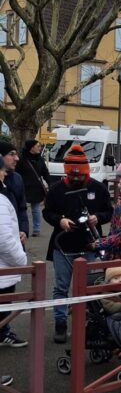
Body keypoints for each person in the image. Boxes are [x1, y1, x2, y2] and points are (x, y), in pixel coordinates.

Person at [43, 143, 114, 343]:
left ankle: (91, 323)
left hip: (90, 246)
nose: (76, 178)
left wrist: (97, 218)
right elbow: (47, 212)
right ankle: (60, 323)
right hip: (62, 246)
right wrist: (60, 221)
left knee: (91, 286)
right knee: (61, 287)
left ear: (86, 172)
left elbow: (109, 211)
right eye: (72, 176)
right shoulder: (56, 189)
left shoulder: (98, 188)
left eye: (79, 176)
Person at [0, 154, 29, 353]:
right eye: (2, 171)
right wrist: (21, 259)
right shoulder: (0, 201)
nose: (4, 175)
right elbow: (3, 240)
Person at [17, 139, 50, 237]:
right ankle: (21, 229)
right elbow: (17, 173)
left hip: (36, 187)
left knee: (36, 208)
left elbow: (45, 172)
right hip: (23, 187)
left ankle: (36, 229)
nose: (40, 148)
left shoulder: (40, 159)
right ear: (32, 148)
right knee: (21, 208)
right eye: (38, 146)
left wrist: (50, 184)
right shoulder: (21, 159)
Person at [0, 142, 29, 244]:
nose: (17, 158)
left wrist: (24, 230)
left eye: (16, 154)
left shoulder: (17, 178)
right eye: (11, 154)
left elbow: (22, 208)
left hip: (16, 237)